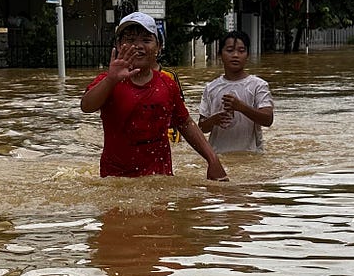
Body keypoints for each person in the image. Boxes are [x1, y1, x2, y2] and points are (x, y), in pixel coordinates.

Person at [81, 12, 227, 180]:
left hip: (160, 178)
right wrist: (111, 80)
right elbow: (86, 106)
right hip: (115, 180)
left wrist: (212, 159)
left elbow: (185, 122)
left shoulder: (167, 84)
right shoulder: (108, 82)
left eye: (146, 40)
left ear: (158, 47)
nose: (138, 46)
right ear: (119, 45)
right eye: (130, 40)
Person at [198, 31, 274, 155]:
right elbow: (201, 127)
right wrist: (214, 120)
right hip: (218, 156)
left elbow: (268, 119)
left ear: (247, 55)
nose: (235, 55)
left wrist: (241, 107)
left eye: (241, 51)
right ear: (220, 54)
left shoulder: (258, 85)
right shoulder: (211, 88)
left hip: (251, 155)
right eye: (229, 50)